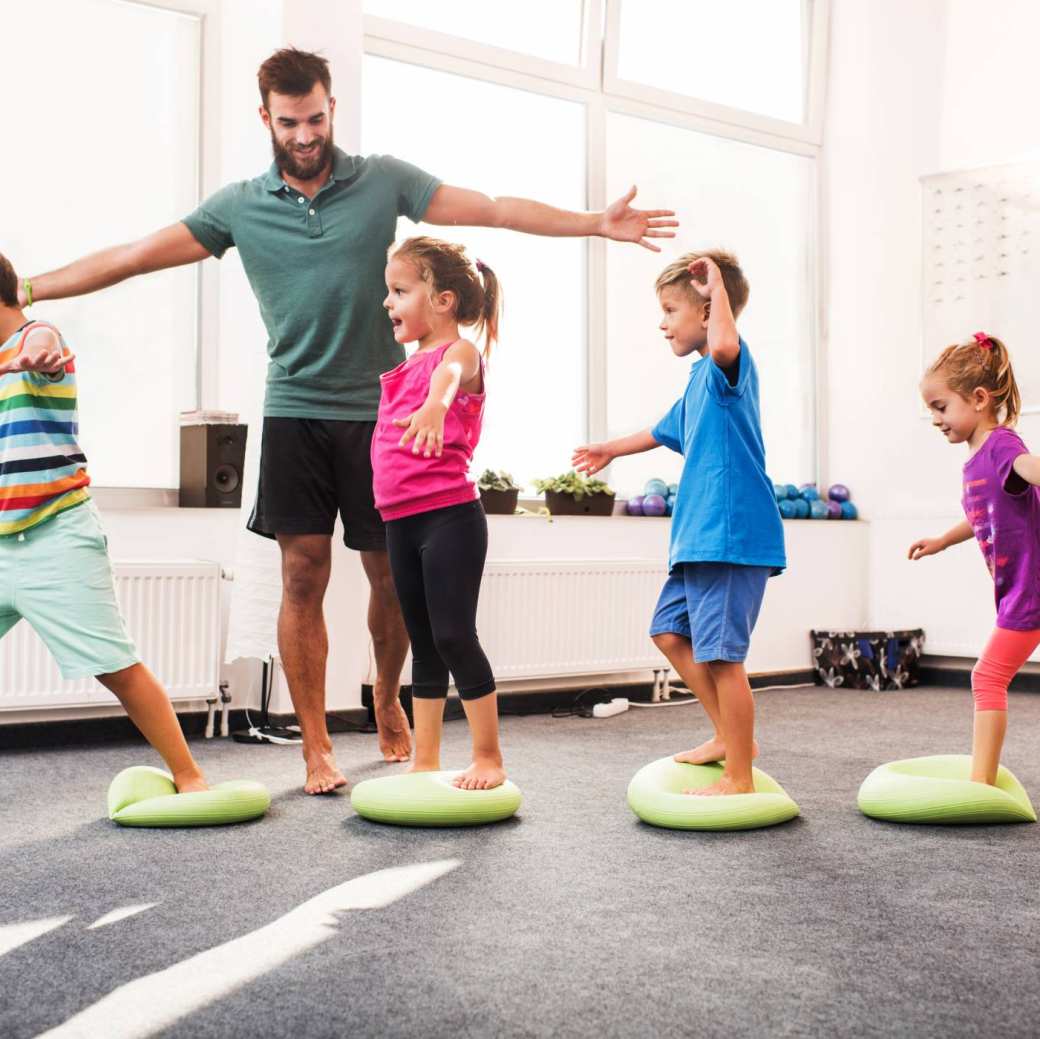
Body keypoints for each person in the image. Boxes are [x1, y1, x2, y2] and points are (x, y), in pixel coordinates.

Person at [15, 47, 677, 795]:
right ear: (266, 118)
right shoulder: (238, 206)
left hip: (384, 414)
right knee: (302, 573)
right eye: (291, 121)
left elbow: (491, 208)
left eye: (318, 118)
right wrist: (25, 290)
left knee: (391, 578)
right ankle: (316, 745)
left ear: (334, 110)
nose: (306, 134)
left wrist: (594, 222)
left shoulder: (382, 180)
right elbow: (135, 256)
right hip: (295, 410)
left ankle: (388, 696)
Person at [572, 252, 786, 796]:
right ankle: (726, 736)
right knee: (669, 632)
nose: (662, 321)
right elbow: (661, 431)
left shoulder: (726, 368)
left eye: (671, 310)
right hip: (698, 539)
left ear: (710, 311)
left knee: (721, 657)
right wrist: (609, 449)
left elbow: (723, 344)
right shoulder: (697, 382)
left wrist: (715, 288)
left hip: (730, 538)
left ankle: (739, 774)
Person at [0, 252, 207, 793]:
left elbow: (41, 347)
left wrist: (35, 357)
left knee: (114, 665)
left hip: (56, 535)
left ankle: (188, 775)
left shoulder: (37, 335)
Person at [373, 236, 504, 789]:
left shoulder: (460, 354)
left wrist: (435, 402)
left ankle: (489, 757)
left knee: (454, 635)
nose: (388, 302)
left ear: (443, 300)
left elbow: (451, 375)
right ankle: (425, 759)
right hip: (400, 520)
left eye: (400, 291)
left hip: (450, 517)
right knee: (423, 643)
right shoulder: (409, 364)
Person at [910, 332, 1040, 785]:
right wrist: (943, 540)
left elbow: (1030, 470)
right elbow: (982, 515)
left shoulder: (1002, 445)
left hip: (1030, 591)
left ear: (980, 399)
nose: (935, 419)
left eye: (941, 407)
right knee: (991, 677)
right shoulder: (976, 458)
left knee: (986, 678)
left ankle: (980, 782)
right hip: (1017, 590)